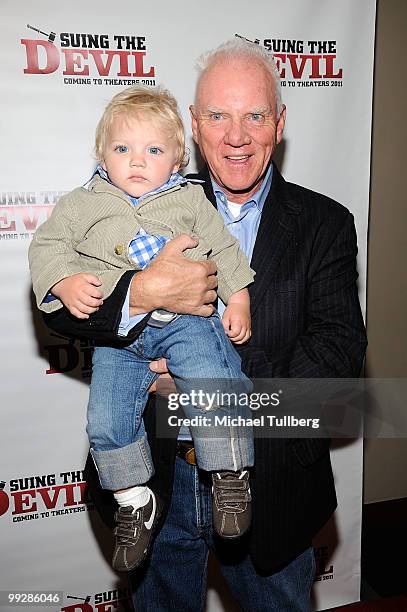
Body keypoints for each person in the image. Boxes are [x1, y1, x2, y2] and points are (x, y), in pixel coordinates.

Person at [42, 39, 367, 611]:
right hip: (157, 479)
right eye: (218, 115)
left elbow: (337, 356)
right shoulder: (128, 200)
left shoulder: (326, 224)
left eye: (254, 115)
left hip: (268, 480)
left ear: (280, 122)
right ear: (193, 125)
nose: (236, 135)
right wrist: (139, 294)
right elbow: (63, 305)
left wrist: (208, 384)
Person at [29, 85, 256, 573]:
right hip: (121, 338)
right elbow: (47, 248)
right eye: (122, 149)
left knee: (215, 379)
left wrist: (238, 299)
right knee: (106, 416)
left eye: (153, 150)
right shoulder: (80, 204)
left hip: (188, 324)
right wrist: (64, 281)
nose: (136, 160)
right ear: (102, 154)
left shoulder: (192, 201)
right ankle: (134, 499)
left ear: (177, 160)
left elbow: (223, 250)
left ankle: (230, 472)